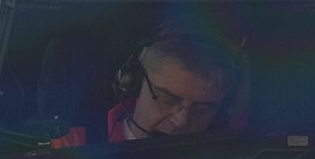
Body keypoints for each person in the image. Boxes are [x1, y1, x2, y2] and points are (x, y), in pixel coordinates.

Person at [95, 30, 244, 142]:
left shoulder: (230, 158)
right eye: (167, 99)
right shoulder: (78, 146)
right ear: (134, 83)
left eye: (201, 109)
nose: (182, 121)